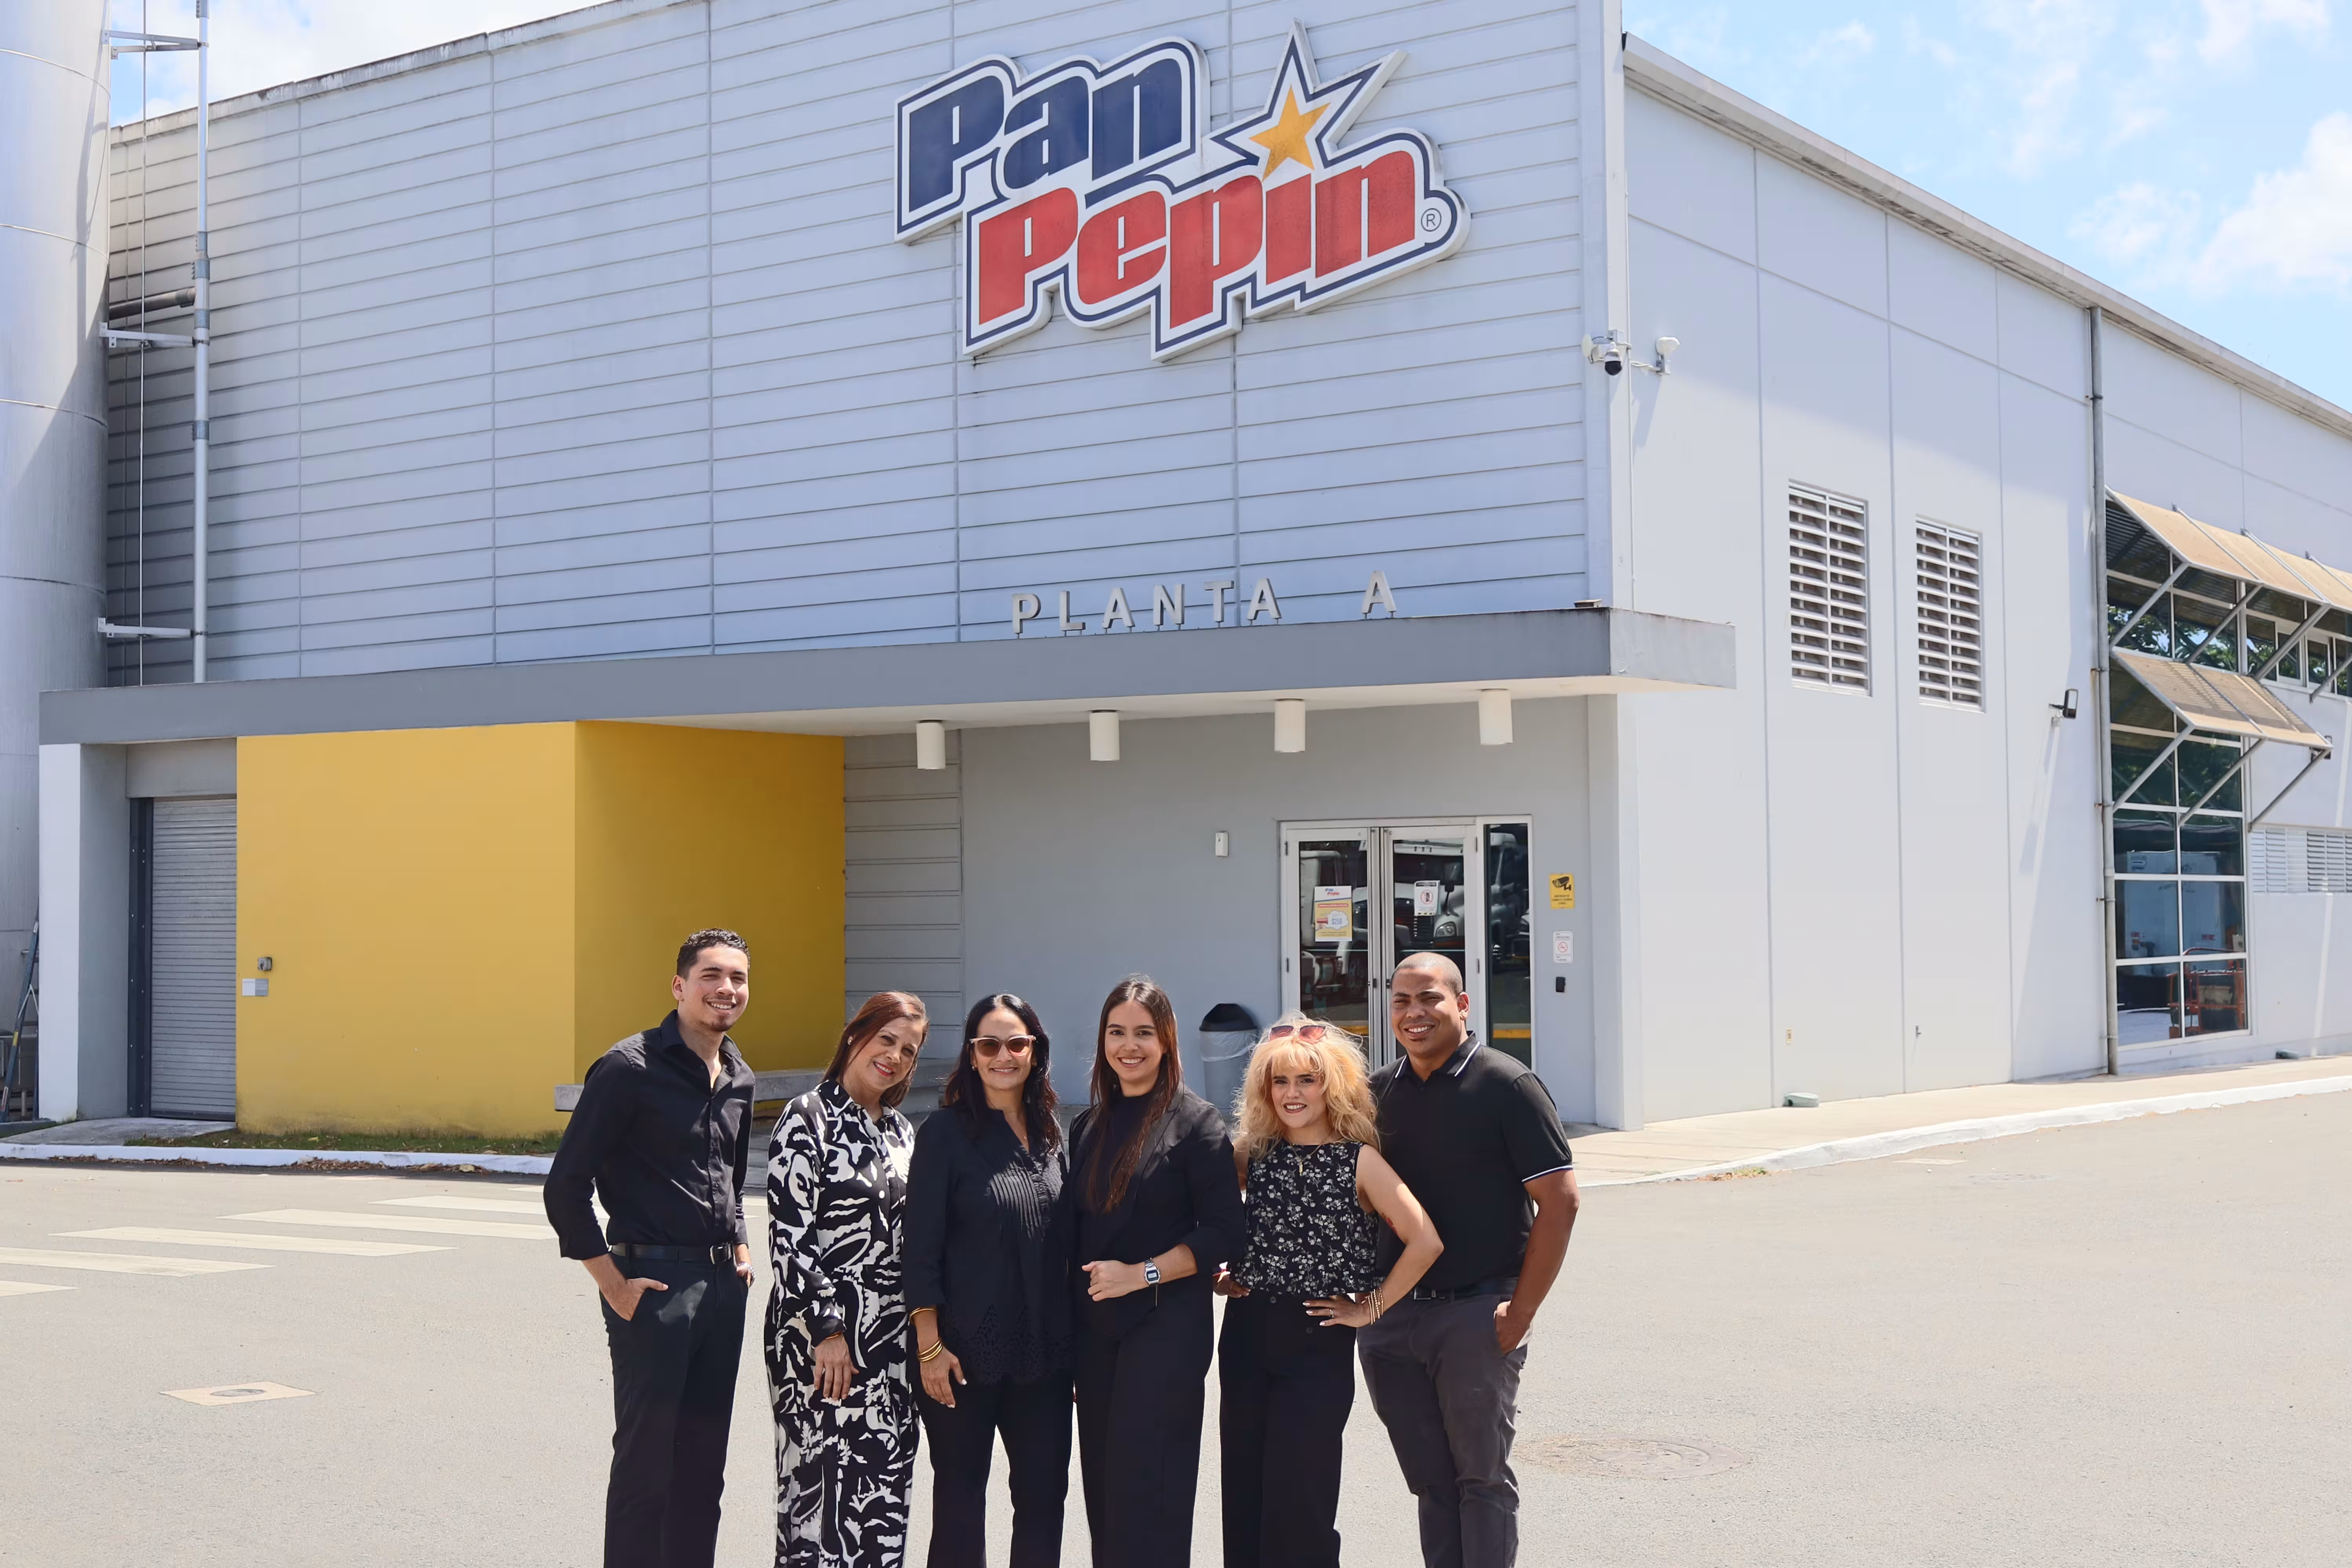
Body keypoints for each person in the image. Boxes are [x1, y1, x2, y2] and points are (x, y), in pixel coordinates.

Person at [544, 929, 759, 1568]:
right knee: (647, 1469)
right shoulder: (628, 1069)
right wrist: (612, 1283)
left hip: (722, 1292)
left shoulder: (739, 1075)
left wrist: (742, 1247)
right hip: (654, 1290)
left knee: (703, 1471)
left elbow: (731, 1178)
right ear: (679, 986)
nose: (726, 989)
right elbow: (565, 1187)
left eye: (738, 978)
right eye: (712, 976)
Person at [1360, 952, 1579, 1568]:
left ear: (1461, 1004)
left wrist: (1520, 1312)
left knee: (1481, 1481)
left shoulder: (1507, 1086)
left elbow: (1560, 1202)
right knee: (1431, 1482)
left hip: (1477, 1314)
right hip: (1394, 1320)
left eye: (1429, 998)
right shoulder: (1378, 1093)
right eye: (1402, 1001)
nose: (1414, 1013)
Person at [1215, 1014, 1443, 1568]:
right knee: (1244, 1489)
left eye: (1307, 1080)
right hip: (1245, 1335)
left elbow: (1425, 1241)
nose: (1292, 1093)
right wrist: (1220, 1272)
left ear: (1332, 1085)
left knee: (1302, 1498)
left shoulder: (1359, 1160)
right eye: (1280, 1081)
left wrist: (1371, 1309)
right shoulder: (1252, 1154)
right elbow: (1202, 1214)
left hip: (1317, 1340)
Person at [1067, 976, 1245, 1568]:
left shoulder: (1197, 1124)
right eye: (1117, 1032)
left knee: (1151, 1492)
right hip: (1097, 1339)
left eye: (1144, 1033)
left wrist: (1141, 1274)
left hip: (1166, 1331)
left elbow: (1224, 1232)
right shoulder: (1088, 1126)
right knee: (1105, 1497)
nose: (1130, 1046)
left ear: (1167, 1040)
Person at [904, 993, 1074, 1568]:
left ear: (1035, 1052)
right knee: (960, 1507)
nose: (1004, 1055)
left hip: (1045, 1357)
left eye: (1017, 1043)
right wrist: (929, 1346)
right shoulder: (944, 1134)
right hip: (959, 1359)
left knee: (1044, 1503)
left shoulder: (1051, 1133)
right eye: (989, 1044)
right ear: (972, 1056)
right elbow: (920, 1250)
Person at [766, 992, 927, 1568]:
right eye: (886, 1040)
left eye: (909, 1050)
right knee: (820, 1492)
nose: (895, 1057)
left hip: (891, 1342)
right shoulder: (807, 1116)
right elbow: (790, 1237)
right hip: (820, 1341)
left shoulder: (903, 1133)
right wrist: (828, 1330)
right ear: (856, 1036)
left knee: (882, 1490)